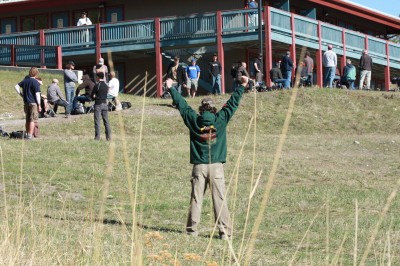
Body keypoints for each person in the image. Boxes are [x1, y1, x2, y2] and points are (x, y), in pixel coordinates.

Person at [164, 75, 249, 240]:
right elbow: (232, 103)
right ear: (213, 109)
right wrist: (242, 86)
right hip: (216, 166)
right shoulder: (221, 119)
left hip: (199, 166)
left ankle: (192, 231)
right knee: (220, 199)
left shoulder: (194, 120)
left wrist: (171, 88)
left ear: (201, 110)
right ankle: (225, 233)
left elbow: (182, 105)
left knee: (196, 199)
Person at [14, 67, 42, 140]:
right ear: (36, 74)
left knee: (27, 119)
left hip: (26, 102)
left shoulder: (25, 81)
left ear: (29, 73)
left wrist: (21, 94)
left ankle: (27, 133)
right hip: (33, 103)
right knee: (33, 119)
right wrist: (39, 104)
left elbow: (16, 86)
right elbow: (37, 94)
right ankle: (30, 135)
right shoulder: (36, 82)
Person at [91, 72, 111, 141]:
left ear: (98, 77)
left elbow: (92, 95)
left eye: (96, 77)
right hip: (105, 104)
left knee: (97, 121)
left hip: (98, 104)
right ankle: (108, 137)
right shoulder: (106, 85)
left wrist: (94, 97)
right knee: (106, 121)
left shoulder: (97, 85)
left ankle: (97, 137)